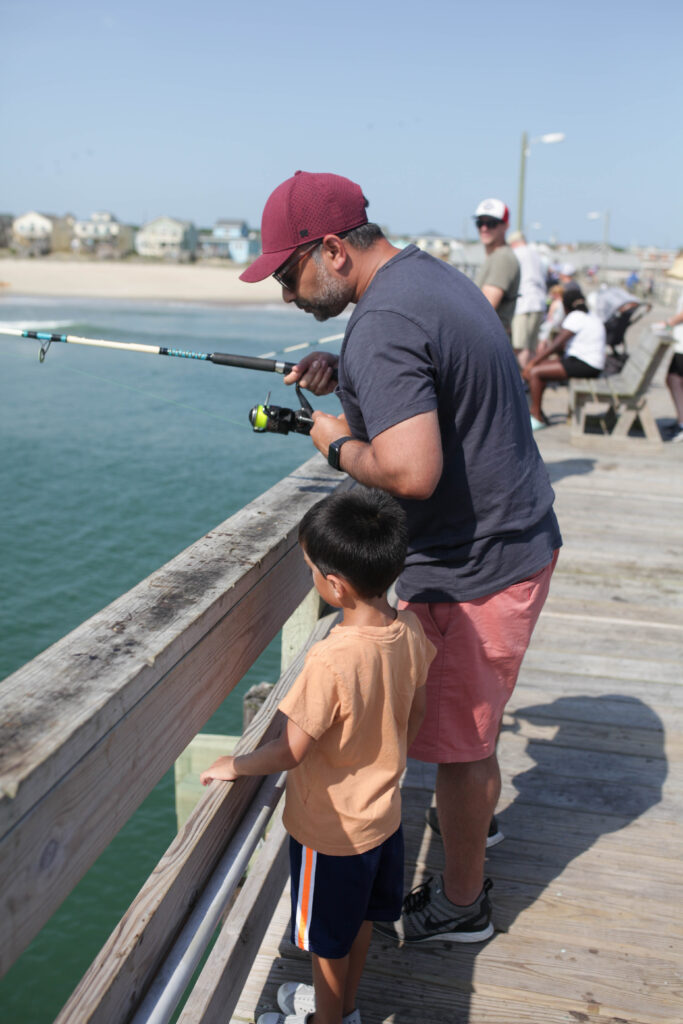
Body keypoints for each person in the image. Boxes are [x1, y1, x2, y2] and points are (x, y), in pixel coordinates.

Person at [239, 170, 561, 946]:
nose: (286, 293)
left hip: (475, 566)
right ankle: (468, 835)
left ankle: (460, 906)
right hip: (509, 542)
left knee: (460, 746)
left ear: (330, 252)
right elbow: (430, 378)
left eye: (288, 274)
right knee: (460, 732)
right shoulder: (424, 279)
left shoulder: (380, 327)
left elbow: (411, 472)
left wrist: (333, 440)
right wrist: (348, 372)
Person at [200, 487, 435, 1024]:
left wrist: (234, 764)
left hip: (331, 835)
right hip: (384, 817)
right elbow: (415, 713)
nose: (310, 577)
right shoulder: (411, 629)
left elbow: (289, 751)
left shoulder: (330, 661)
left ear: (335, 584)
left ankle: (328, 1019)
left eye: (310, 568)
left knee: (325, 943)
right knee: (360, 923)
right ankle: (345, 1011)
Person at [523, 287, 606, 429]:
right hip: (589, 363)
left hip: (585, 365)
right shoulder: (590, 315)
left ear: (566, 306)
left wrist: (532, 362)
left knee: (535, 372)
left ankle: (536, 417)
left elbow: (556, 345)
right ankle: (537, 412)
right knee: (539, 369)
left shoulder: (576, 316)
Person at [473, 198, 520, 339]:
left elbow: (484, 308)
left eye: (491, 223)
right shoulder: (495, 257)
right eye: (480, 223)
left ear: (505, 226)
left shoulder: (502, 258)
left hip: (489, 341)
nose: (484, 228)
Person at [508, 231, 548, 368]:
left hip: (523, 304)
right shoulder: (537, 255)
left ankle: (522, 382)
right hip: (539, 303)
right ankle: (529, 379)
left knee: (520, 347)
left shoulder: (516, 254)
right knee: (531, 348)